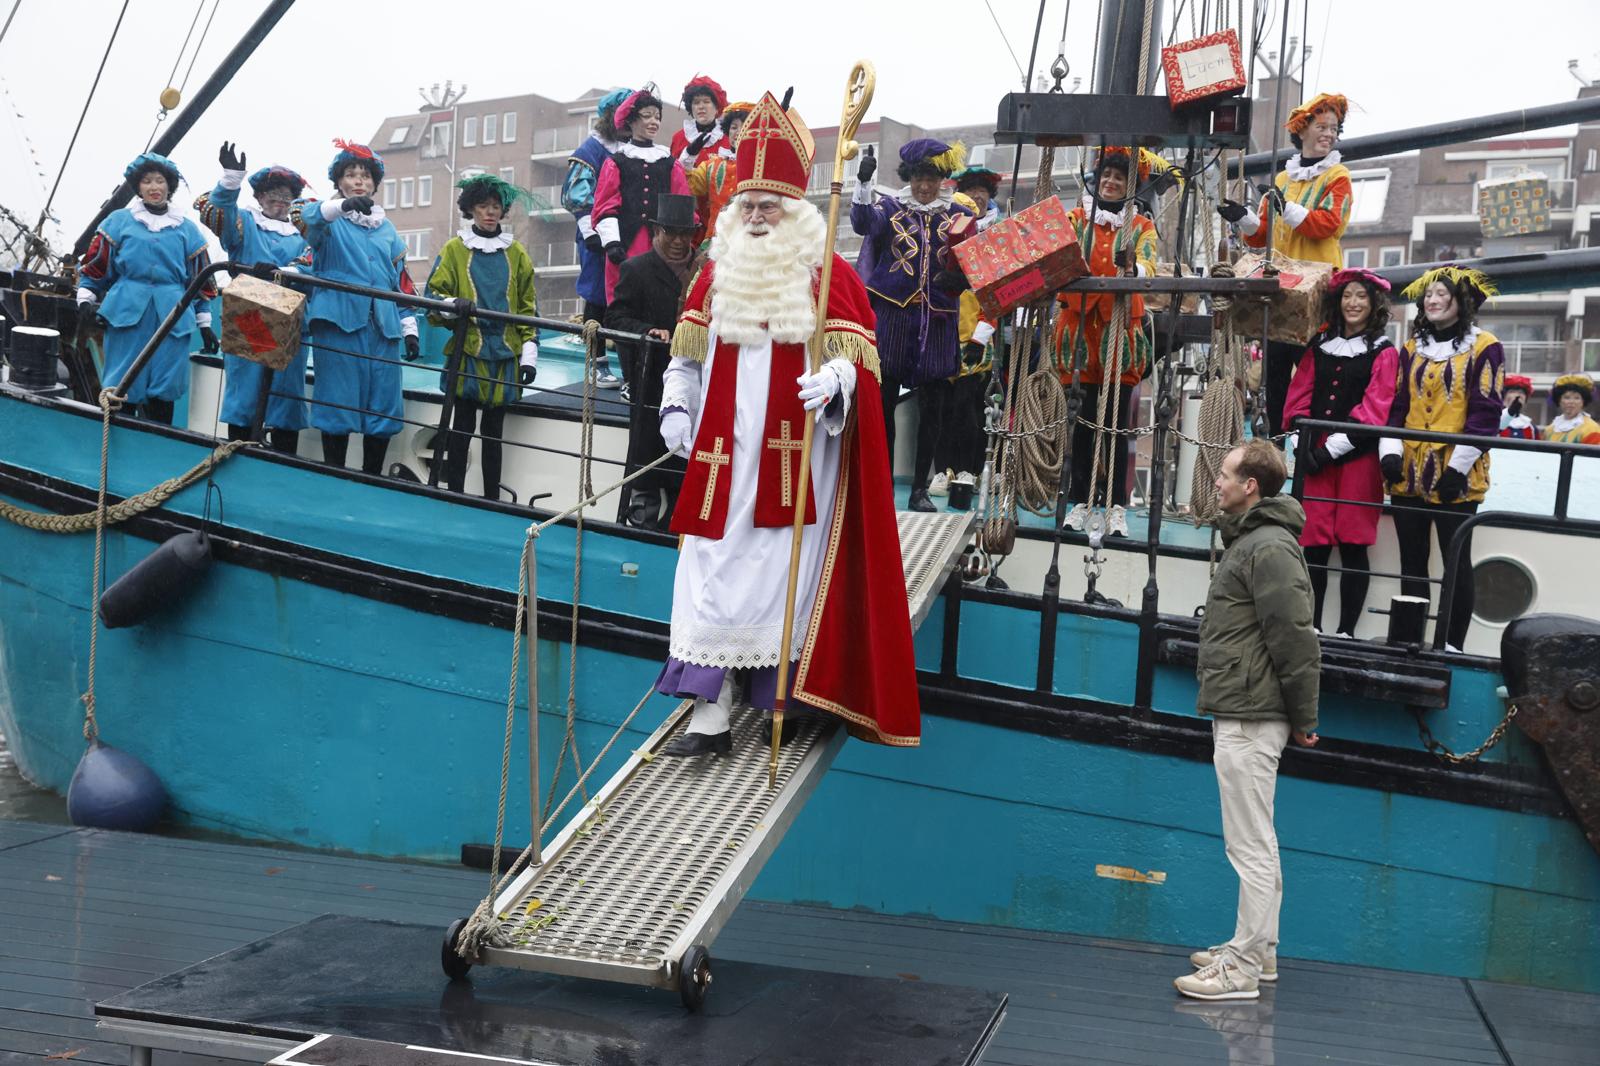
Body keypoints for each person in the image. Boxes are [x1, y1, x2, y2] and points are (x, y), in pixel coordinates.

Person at [653, 92, 919, 756]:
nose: (758, 217)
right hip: (718, 461)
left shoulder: (827, 277)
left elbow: (861, 369)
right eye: (749, 206)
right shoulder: (713, 278)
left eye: (770, 206)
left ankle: (780, 694)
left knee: (782, 579)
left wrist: (834, 383)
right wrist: (675, 405)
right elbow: (685, 361)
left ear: (795, 210)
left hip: (795, 457)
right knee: (706, 573)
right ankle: (708, 711)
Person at [1176, 438, 1320, 1002]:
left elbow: (1295, 637)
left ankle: (1239, 970)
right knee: (1256, 840)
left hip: (1250, 715)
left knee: (1249, 846)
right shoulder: (1255, 541)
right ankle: (1259, 955)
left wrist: (1304, 716)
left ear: (1251, 486)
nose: (1216, 480)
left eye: (1226, 473)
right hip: (1244, 707)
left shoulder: (1269, 548)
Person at [1381, 266, 1504, 653]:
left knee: (1457, 565)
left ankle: (1451, 645)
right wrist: (1390, 451)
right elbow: (1397, 405)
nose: (1431, 301)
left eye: (1440, 294)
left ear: (1461, 301)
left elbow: (1486, 413)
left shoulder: (1485, 346)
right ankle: (1409, 641)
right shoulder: (1412, 347)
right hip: (1410, 473)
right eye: (1428, 295)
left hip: (1457, 474)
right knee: (1411, 562)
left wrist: (1457, 468)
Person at [1218, 92, 1352, 437]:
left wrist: (1287, 209)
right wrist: (1244, 218)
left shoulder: (1337, 177)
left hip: (1319, 290)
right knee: (1275, 373)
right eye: (1322, 126)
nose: (1329, 134)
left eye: (1334, 128)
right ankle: (1275, 445)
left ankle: (1311, 445)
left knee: (1315, 373)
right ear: (1302, 131)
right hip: (1282, 286)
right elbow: (1263, 234)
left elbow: (1329, 223)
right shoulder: (1282, 180)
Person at [851, 137, 973, 511]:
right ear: (909, 176)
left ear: (943, 180)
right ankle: (882, 484)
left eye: (932, 179)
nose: (924, 186)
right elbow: (861, 224)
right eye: (919, 177)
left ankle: (920, 488)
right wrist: (863, 183)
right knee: (883, 401)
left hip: (938, 319)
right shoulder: (889, 208)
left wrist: (962, 279)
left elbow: (974, 261)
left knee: (933, 407)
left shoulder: (958, 216)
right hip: (893, 315)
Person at [1281, 268, 1399, 638]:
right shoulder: (1319, 347)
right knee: (1313, 546)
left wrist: (1330, 450)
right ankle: (1311, 627)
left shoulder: (1384, 352)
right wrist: (1302, 445)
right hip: (1312, 456)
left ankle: (1346, 630)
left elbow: (1374, 408)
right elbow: (1298, 395)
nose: (1353, 303)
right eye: (1347, 296)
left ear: (1373, 304)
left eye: (1361, 297)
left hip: (1356, 461)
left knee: (1352, 545)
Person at [290, 139, 419, 475]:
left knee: (384, 407)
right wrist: (342, 207)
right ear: (339, 182)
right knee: (338, 401)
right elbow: (302, 216)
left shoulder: (387, 229)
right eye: (351, 174)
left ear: (375, 183)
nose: (359, 180)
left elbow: (400, 283)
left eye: (365, 175)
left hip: (384, 327)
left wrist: (409, 329)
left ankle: (372, 478)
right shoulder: (327, 219)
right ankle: (336, 476)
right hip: (339, 323)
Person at [1053, 147, 1159, 537]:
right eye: (1106, 176)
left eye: (1119, 178)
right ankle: (1080, 500)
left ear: (1130, 186)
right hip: (1078, 333)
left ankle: (1115, 505)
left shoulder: (1141, 226)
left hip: (1120, 333)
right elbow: (1053, 253)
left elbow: (1149, 263)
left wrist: (1133, 267)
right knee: (1079, 424)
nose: (1111, 183)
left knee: (1116, 424)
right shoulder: (1076, 218)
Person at [77, 152, 217, 424]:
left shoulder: (188, 230)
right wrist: (86, 296)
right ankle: (118, 441)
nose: (154, 187)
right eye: (147, 181)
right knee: (122, 383)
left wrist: (205, 322)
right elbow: (97, 264)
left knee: (165, 385)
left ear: (170, 186)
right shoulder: (118, 222)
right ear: (138, 187)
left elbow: (200, 280)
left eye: (160, 181)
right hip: (126, 310)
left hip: (173, 315)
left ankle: (157, 444)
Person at [423, 174, 539, 500]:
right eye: (483, 206)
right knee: (461, 429)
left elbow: (529, 306)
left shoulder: (516, 253)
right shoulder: (454, 250)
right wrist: (452, 306)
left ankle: (492, 499)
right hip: (467, 351)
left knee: (494, 434)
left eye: (495, 207)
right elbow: (433, 293)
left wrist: (529, 355)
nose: (490, 212)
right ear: (471, 209)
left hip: (504, 356)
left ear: (502, 211)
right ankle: (455, 494)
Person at [193, 143, 310, 452]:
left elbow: (313, 263)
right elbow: (218, 216)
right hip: (249, 311)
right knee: (246, 386)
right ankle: (240, 450)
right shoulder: (244, 221)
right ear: (259, 197)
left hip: (291, 312)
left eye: (287, 196)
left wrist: (285, 270)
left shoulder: (303, 234)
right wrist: (231, 179)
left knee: (287, 391)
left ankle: (286, 457)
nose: (280, 202)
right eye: (273, 195)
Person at [606, 193, 701, 529]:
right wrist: (648, 332)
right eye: (671, 233)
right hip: (651, 386)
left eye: (685, 234)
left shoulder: (706, 270)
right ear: (656, 231)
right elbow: (616, 319)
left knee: (688, 466)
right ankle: (644, 522)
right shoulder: (636, 269)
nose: (678, 241)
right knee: (649, 464)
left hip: (697, 386)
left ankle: (679, 525)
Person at [592, 87, 691, 309]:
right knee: (626, 298)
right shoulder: (616, 162)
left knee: (661, 298)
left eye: (657, 117)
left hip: (661, 245)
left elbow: (682, 201)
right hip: (627, 243)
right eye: (647, 116)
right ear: (632, 121)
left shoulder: (669, 162)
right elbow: (605, 205)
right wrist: (613, 242)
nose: (654, 121)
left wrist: (683, 239)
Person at [562, 87, 630, 388]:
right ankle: (597, 364)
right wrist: (593, 230)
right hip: (596, 235)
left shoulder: (630, 149)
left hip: (625, 235)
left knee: (625, 297)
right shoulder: (591, 150)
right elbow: (575, 195)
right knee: (597, 296)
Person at [683, 100, 753, 248]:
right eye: (734, 127)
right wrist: (690, 154)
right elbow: (687, 182)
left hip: (750, 241)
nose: (738, 132)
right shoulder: (713, 164)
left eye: (745, 127)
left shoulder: (760, 166)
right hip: (715, 242)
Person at [669, 74, 729, 164]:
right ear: (691, 107)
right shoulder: (678, 138)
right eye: (696, 102)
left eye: (706, 101)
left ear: (717, 107)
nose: (701, 107)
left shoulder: (728, 138)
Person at [1543, 374, 1600, 444]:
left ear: (1583, 401)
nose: (1571, 402)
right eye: (1567, 397)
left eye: (1577, 398)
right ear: (1559, 401)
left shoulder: (1591, 428)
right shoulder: (1550, 429)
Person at [951, 165, 1003, 231]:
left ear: (990, 195)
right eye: (971, 190)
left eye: (982, 191)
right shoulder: (953, 224)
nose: (976, 196)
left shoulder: (1000, 225)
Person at [1499, 374, 1539, 440]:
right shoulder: (1494, 422)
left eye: (1521, 392)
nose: (1517, 395)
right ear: (1504, 398)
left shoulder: (1530, 427)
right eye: (1512, 392)